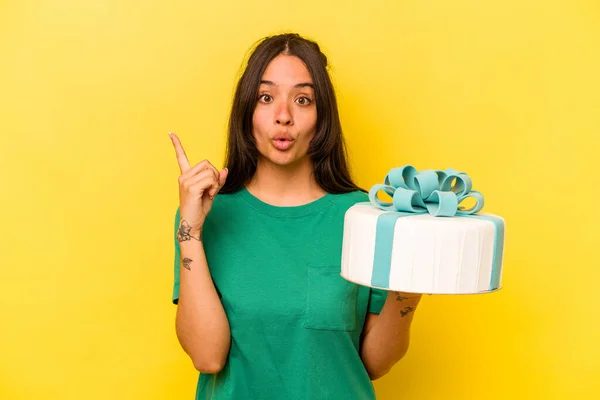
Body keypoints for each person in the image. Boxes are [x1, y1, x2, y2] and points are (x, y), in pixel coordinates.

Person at [168, 33, 422, 400]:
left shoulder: (365, 217)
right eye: (266, 97)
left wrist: (408, 289)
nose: (283, 116)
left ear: (322, 117)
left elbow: (374, 363)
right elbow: (207, 357)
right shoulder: (206, 214)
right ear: (246, 112)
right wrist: (189, 231)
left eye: (302, 100)